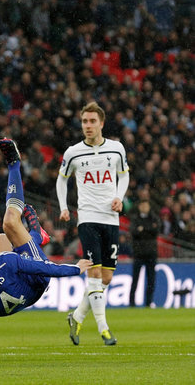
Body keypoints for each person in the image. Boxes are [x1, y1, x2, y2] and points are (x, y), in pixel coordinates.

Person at [0, 138, 92, 364]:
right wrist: (75, 269)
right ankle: (15, 166)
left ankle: (38, 238)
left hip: (22, 295)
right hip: (37, 280)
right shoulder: (6, 261)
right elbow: (43, 268)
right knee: (9, 223)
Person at [56, 102, 130, 346]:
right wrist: (64, 207)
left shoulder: (116, 149)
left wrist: (120, 196)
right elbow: (61, 180)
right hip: (87, 217)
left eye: (92, 121)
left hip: (111, 218)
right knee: (94, 274)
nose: (87, 126)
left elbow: (124, 173)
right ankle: (104, 330)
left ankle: (76, 317)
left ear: (101, 123)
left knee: (106, 278)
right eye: (84, 122)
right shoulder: (73, 152)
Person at [129, 200, 160, 307]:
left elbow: (156, 230)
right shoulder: (135, 218)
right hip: (139, 253)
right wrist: (149, 229)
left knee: (151, 280)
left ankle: (149, 302)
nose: (144, 207)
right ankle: (131, 303)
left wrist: (142, 229)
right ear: (139, 206)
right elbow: (134, 232)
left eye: (146, 205)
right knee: (135, 279)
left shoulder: (154, 217)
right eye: (142, 205)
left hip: (151, 253)